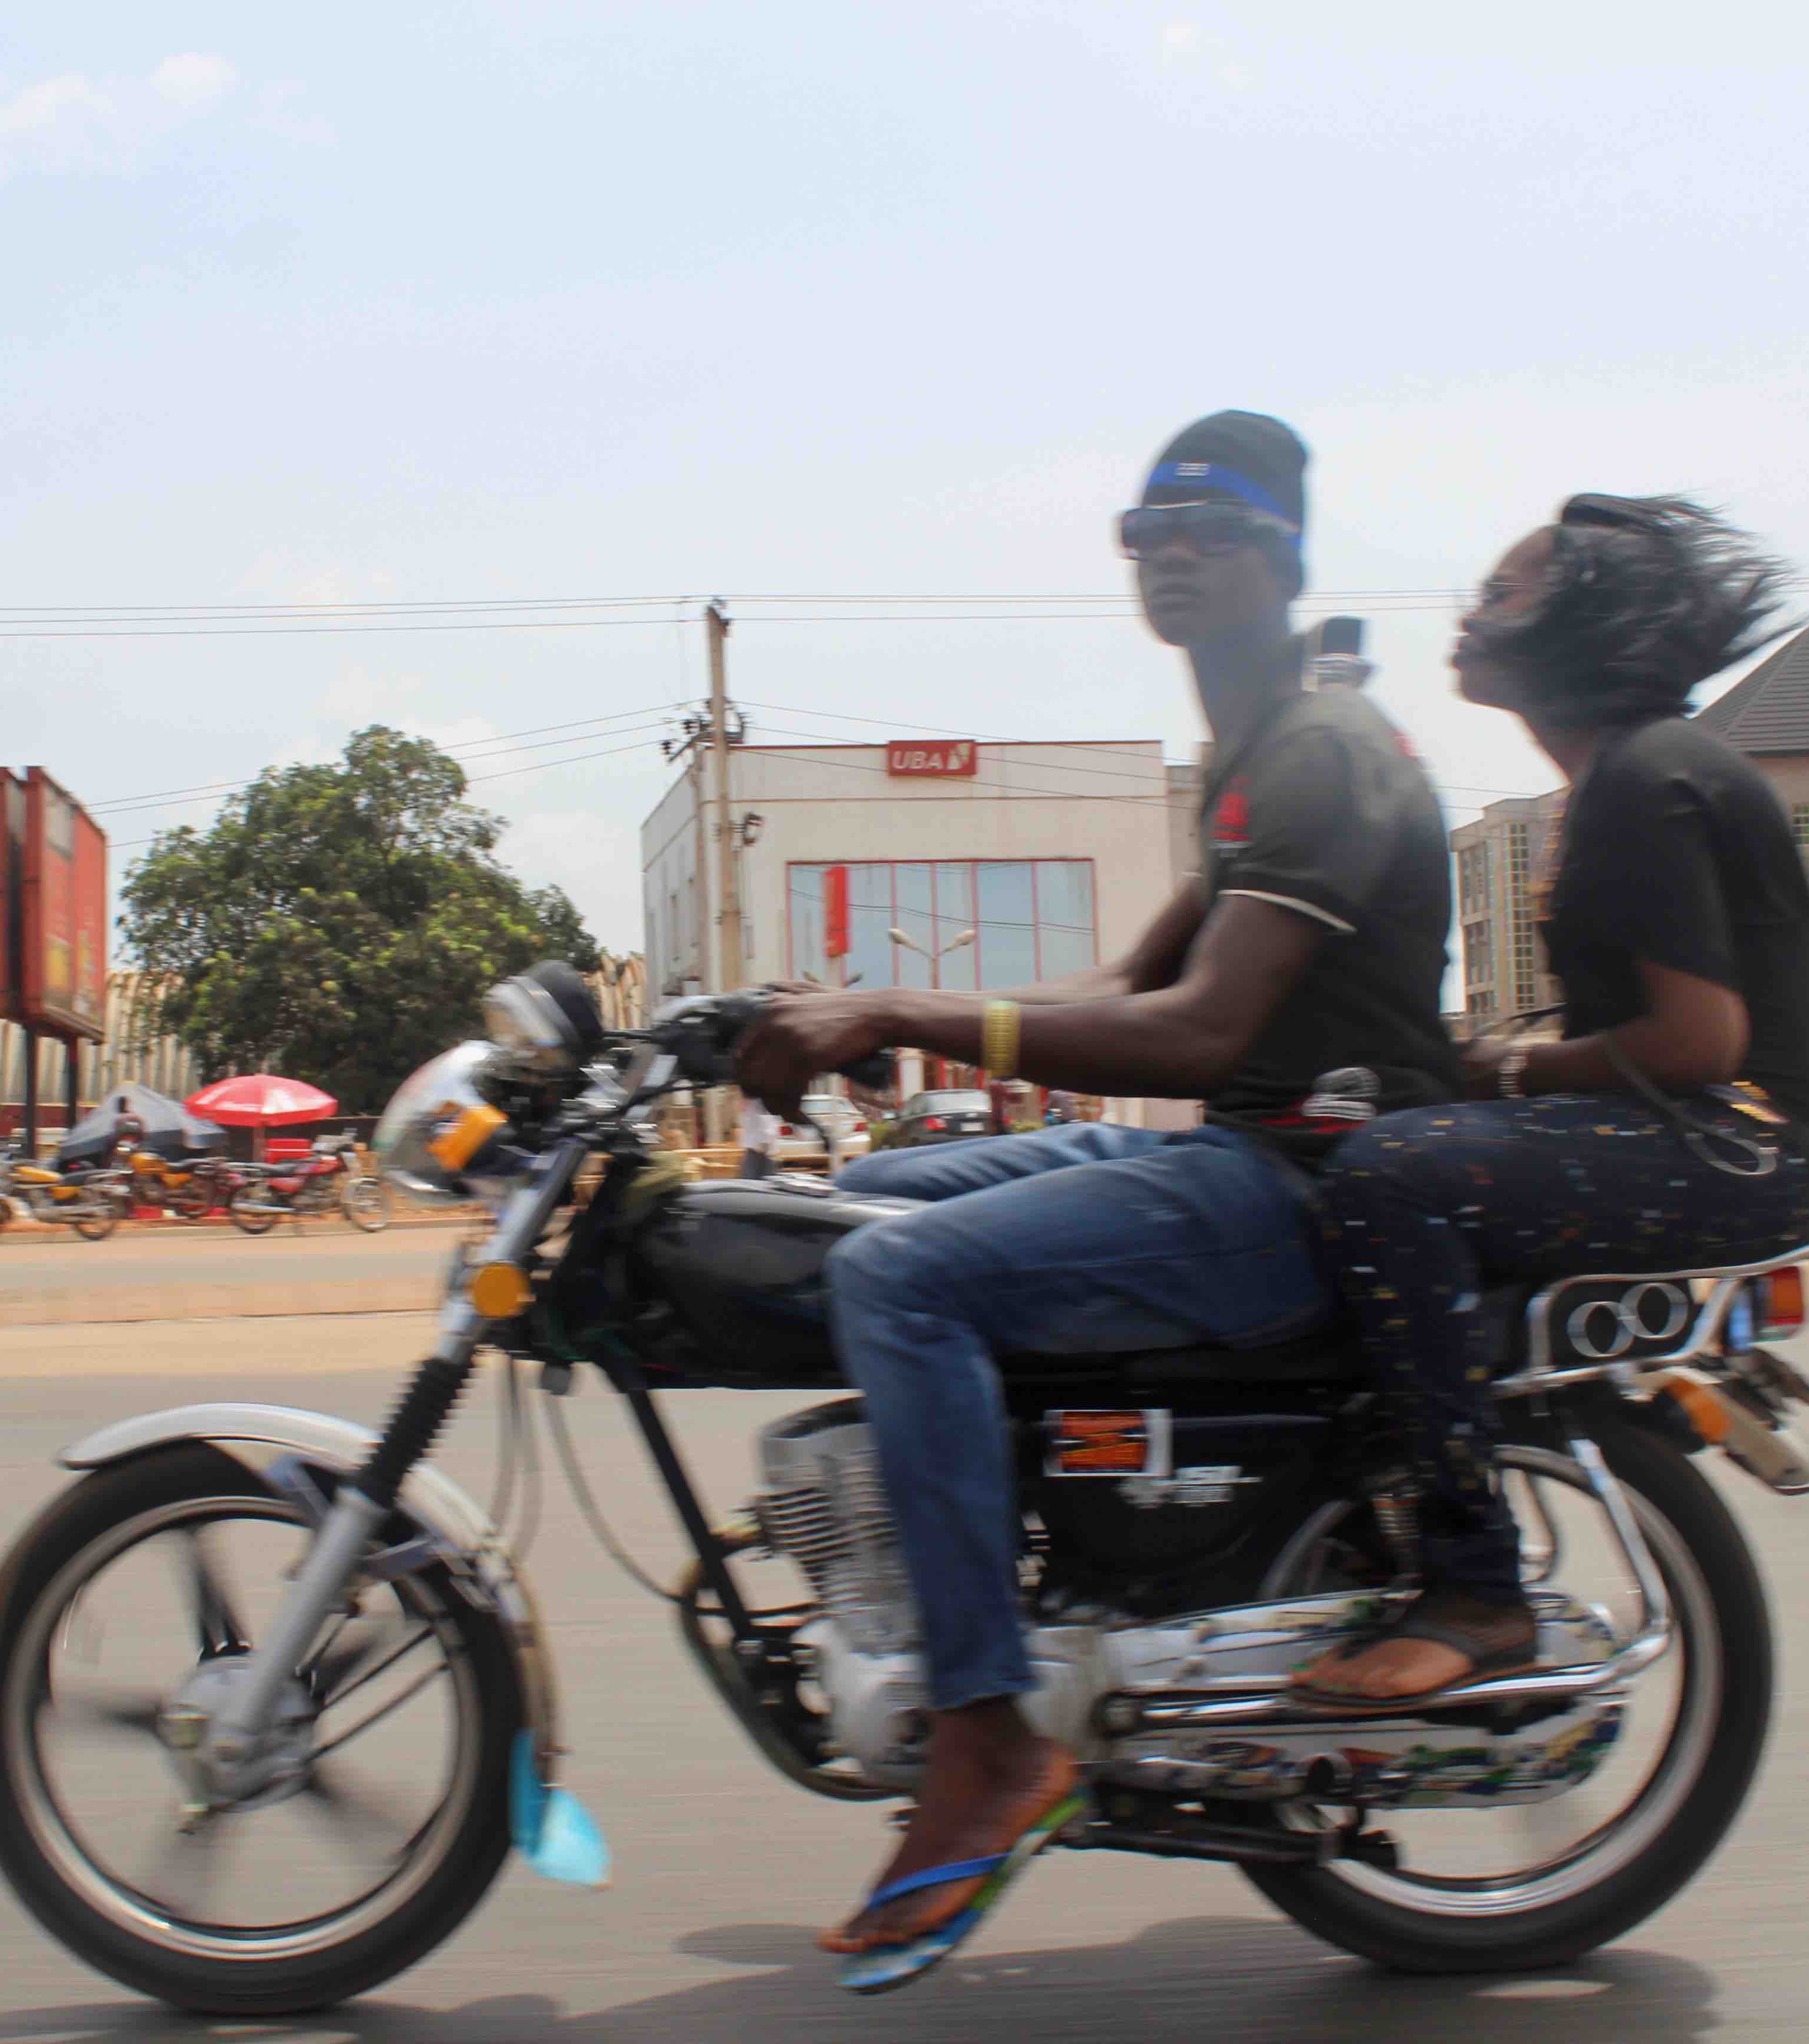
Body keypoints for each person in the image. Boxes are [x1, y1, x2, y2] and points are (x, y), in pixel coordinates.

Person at [735, 410, 1460, 1988]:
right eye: (1148, 534)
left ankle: (988, 1730)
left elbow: (1191, 1035)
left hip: (1307, 1181)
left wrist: (903, 1009)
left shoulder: (1321, 755)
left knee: (900, 1280)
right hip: (1230, 1154)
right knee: (873, 1200)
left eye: (1211, 533)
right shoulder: (1250, 756)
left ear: (1282, 559)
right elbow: (1120, 987)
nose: (1172, 557)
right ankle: (1008, 1559)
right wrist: (838, 1008)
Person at [1289, 496, 1809, 1711]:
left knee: (1391, 1178)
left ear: (1592, 625)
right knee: (1368, 1144)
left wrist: (1500, 1070)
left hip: (1754, 1146)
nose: (1471, 612)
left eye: (1507, 592)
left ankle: (1475, 1589)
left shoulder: (1646, 777)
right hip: (1705, 1129)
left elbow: (1699, 1042)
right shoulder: (1621, 775)